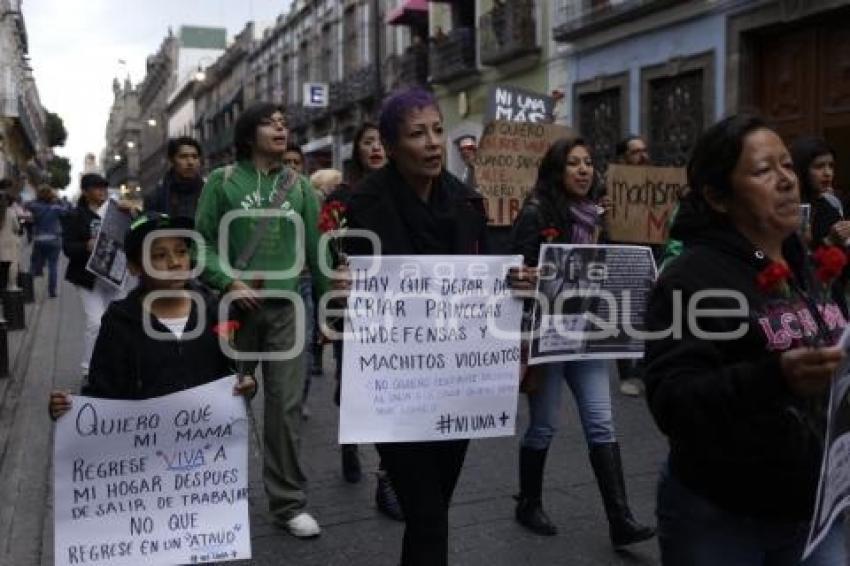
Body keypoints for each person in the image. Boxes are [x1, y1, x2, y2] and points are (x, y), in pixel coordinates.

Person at [643, 115, 848, 565]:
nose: (786, 181)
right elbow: (671, 399)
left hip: (818, 510)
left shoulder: (809, 265)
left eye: (788, 166)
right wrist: (774, 376)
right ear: (718, 196)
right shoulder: (690, 279)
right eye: (762, 171)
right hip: (723, 519)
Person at [340, 87, 489, 566]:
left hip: (454, 378)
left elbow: (481, 273)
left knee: (434, 510)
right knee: (426, 512)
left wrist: (513, 281)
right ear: (388, 144)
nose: (432, 143)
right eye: (417, 134)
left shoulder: (467, 200)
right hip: (392, 380)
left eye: (438, 131)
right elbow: (363, 281)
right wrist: (344, 287)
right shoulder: (364, 203)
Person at [509, 137, 655, 547]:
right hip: (548, 338)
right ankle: (529, 502)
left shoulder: (598, 217)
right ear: (558, 171)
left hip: (589, 334)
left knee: (601, 421)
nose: (583, 169)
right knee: (544, 425)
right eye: (573, 163)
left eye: (589, 162)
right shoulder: (536, 213)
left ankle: (620, 518)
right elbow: (513, 273)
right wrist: (529, 280)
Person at [194, 101, 327, 539]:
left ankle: (288, 504)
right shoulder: (222, 181)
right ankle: (210, 496)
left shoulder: (302, 188)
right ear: (249, 135)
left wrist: (328, 311)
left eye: (284, 124)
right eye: (271, 123)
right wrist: (228, 281)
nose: (280, 128)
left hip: (288, 310)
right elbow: (202, 244)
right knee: (226, 402)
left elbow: (317, 253)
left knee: (285, 408)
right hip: (237, 312)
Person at [48, 211, 256, 409]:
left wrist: (248, 384)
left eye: (181, 251)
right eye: (159, 255)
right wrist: (69, 409)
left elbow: (231, 373)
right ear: (134, 267)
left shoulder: (215, 311)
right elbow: (103, 392)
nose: (175, 263)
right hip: (146, 442)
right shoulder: (120, 322)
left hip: (208, 439)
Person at [324, 121, 403, 522]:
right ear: (356, 150)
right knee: (351, 383)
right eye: (366, 142)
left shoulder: (406, 190)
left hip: (398, 307)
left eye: (380, 141)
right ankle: (349, 440)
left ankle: (386, 478)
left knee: (387, 385)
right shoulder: (342, 197)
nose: (375, 147)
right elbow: (326, 247)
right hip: (352, 303)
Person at [60, 173, 124, 379]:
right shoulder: (75, 216)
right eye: (97, 188)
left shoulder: (115, 212)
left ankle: (114, 362)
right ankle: (88, 368)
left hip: (112, 277)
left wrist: (132, 212)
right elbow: (68, 248)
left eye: (104, 187)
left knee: (116, 322)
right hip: (87, 279)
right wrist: (85, 246)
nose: (102, 191)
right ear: (86, 192)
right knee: (95, 321)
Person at [792, 136, 846, 247]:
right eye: (819, 166)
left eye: (831, 166)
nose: (828, 173)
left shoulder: (830, 206)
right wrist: (829, 241)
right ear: (803, 169)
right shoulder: (786, 207)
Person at [144, 136, 204, 218]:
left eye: (194, 157)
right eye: (183, 157)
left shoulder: (208, 192)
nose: (190, 162)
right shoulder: (156, 197)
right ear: (172, 161)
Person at [26, 185, 64, 297]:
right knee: (53, 266)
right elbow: (68, 212)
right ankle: (52, 292)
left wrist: (38, 199)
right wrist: (57, 201)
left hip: (39, 240)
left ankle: (28, 290)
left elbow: (27, 205)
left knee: (33, 265)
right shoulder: (56, 208)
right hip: (54, 240)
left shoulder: (35, 206)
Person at [0, 186, 22, 291]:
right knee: (5, 269)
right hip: (7, 245)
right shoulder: (11, 213)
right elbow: (17, 227)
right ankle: (3, 290)